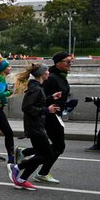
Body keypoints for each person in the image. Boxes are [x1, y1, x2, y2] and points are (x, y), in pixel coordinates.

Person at [7, 62, 60, 191]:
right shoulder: (35, 88)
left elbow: (37, 102)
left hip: (36, 125)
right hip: (34, 127)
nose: (49, 73)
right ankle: (17, 168)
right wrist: (46, 110)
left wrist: (50, 98)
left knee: (41, 155)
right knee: (47, 155)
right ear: (42, 73)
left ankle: (21, 180)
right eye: (47, 71)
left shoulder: (37, 87)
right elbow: (26, 107)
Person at [32, 51, 73, 183]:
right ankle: (34, 170)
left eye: (71, 60)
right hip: (50, 115)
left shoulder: (61, 76)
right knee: (59, 146)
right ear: (58, 63)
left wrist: (66, 104)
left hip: (56, 114)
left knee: (55, 146)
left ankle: (25, 157)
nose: (70, 63)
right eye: (67, 61)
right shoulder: (52, 77)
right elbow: (41, 98)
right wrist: (49, 108)